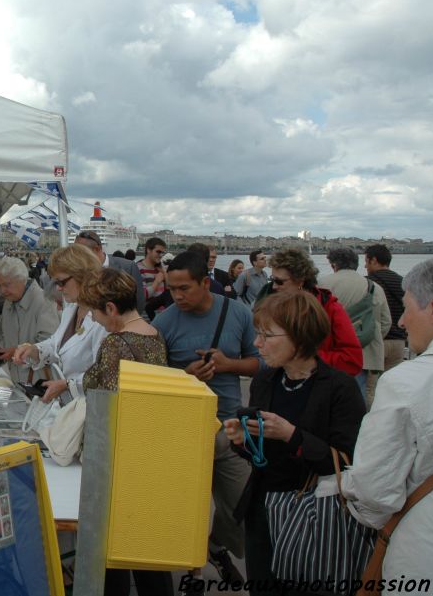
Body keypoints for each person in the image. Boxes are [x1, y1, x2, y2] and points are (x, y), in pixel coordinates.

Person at [224, 291, 366, 594]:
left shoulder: (340, 388)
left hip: (315, 516)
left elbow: (347, 462)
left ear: (300, 338)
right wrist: (243, 440)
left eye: (267, 335)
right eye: (258, 334)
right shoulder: (267, 380)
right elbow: (261, 455)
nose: (256, 343)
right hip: (264, 511)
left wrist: (292, 436)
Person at [152, 251, 258, 584]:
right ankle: (191, 574)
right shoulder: (164, 322)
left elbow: (262, 363)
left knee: (245, 506)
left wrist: (229, 365)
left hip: (229, 427)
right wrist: (185, 375)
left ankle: (216, 546)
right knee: (182, 514)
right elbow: (149, 381)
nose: (177, 296)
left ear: (205, 282)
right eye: (172, 288)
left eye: (185, 288)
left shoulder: (238, 313)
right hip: (183, 430)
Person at [342, 257, 433, 592]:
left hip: (426, 554)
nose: (401, 320)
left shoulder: (409, 382)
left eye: (408, 307)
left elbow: (374, 489)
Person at [78, 267, 173, 596]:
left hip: (120, 458)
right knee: (146, 550)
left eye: (95, 311)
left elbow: (106, 403)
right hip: (147, 454)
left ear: (111, 308)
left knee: (111, 553)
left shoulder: (116, 344)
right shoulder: (153, 335)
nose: (94, 318)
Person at [11, 244, 106, 403]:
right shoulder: (72, 309)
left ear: (82, 276)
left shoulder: (103, 319)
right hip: (69, 407)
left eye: (61, 282)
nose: (59, 288)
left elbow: (104, 374)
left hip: (89, 409)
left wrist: (67, 385)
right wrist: (34, 350)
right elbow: (56, 344)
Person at [269, 248, 364, 380]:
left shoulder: (330, 309)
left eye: (279, 281)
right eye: (272, 279)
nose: (274, 286)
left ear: (300, 281)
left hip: (320, 385)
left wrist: (304, 358)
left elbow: (352, 360)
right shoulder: (274, 308)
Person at [321, 247, 391, 404]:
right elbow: (386, 321)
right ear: (356, 264)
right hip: (366, 353)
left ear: (333, 265)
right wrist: (366, 336)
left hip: (333, 352)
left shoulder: (323, 284)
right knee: (361, 397)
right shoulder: (374, 287)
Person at [0, 256, 60, 382]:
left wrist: (16, 351)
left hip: (39, 382)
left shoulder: (44, 302)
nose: (2, 291)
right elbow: (6, 336)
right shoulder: (9, 302)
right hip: (18, 379)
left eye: (6, 285)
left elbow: (50, 343)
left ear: (22, 279)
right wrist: (0, 350)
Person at [73, 230, 145, 314]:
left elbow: (139, 303)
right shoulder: (79, 273)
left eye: (81, 253)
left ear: (97, 249)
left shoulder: (128, 267)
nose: (77, 258)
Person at [364, 244, 407, 372]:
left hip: (377, 341)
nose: (365, 266)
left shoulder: (367, 283)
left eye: (366, 261)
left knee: (371, 387)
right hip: (399, 342)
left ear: (374, 260)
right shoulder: (403, 282)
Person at [136, 237, 167, 304]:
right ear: (148, 250)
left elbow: (171, 289)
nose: (161, 255)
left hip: (163, 311)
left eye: (163, 253)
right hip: (148, 312)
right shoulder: (138, 269)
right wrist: (157, 281)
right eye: (158, 252)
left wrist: (165, 273)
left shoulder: (160, 268)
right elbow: (142, 296)